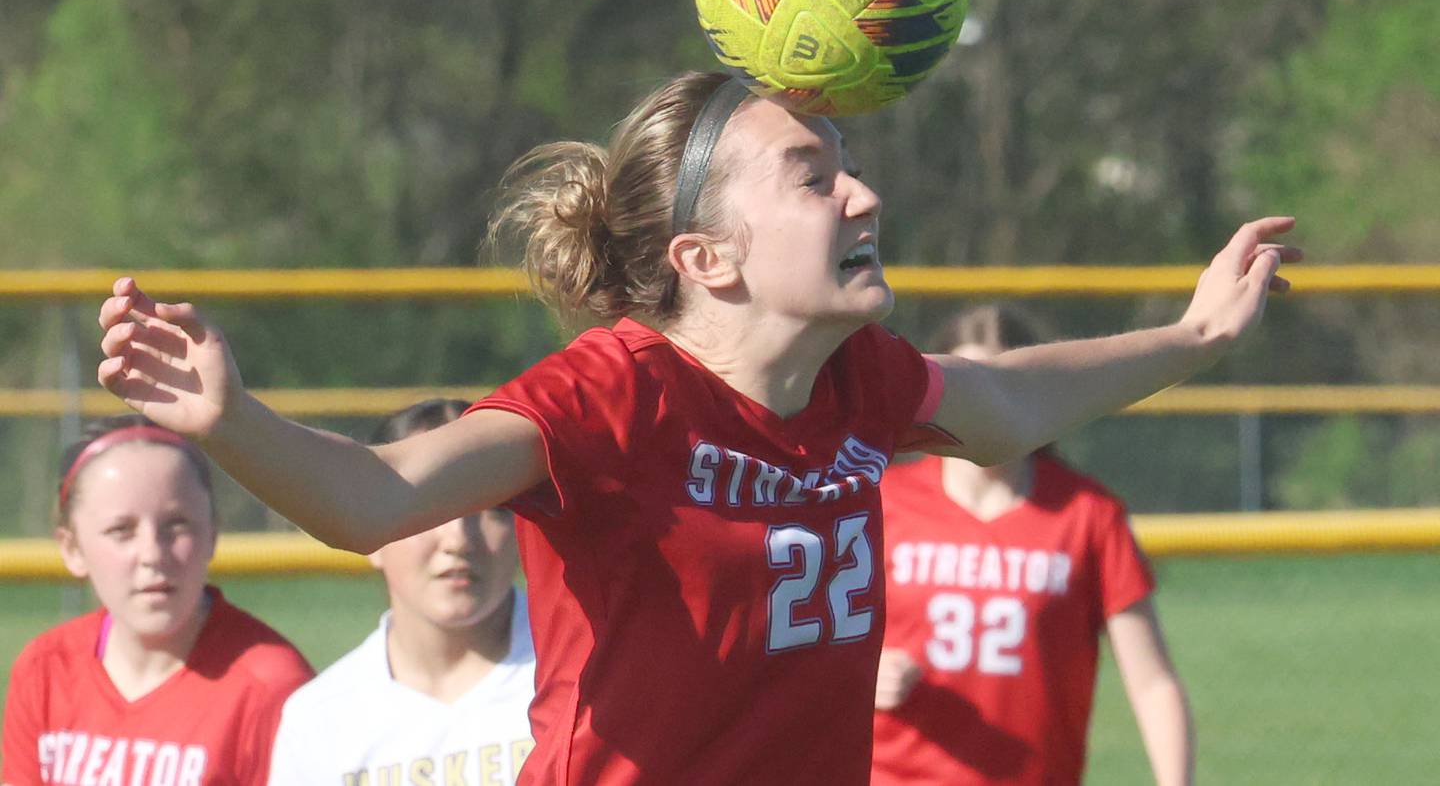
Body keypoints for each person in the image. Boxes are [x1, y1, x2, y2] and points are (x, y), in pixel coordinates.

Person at [94, 70, 1297, 785]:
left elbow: (1008, 402)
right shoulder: (616, 394)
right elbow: (376, 498)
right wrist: (232, 421)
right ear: (706, 257)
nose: (863, 195)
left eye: (851, 169)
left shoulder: (856, 383)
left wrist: (1197, 339)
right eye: (816, 176)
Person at [871, 306, 1195, 786]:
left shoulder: (1086, 514)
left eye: (1002, 386)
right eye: (970, 386)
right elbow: (797, 655)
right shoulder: (880, 500)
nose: (984, 406)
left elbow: (1152, 684)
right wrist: (861, 676)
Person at [1, 416, 313, 786]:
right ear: (72, 548)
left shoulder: (270, 686)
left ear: (212, 533)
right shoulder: (46, 669)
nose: (152, 554)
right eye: (121, 530)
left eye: (176, 525)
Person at [267, 399, 535, 786]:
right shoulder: (320, 720)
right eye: (430, 508)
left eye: (492, 507)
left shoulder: (585, 673)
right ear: (369, 531)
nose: (459, 539)